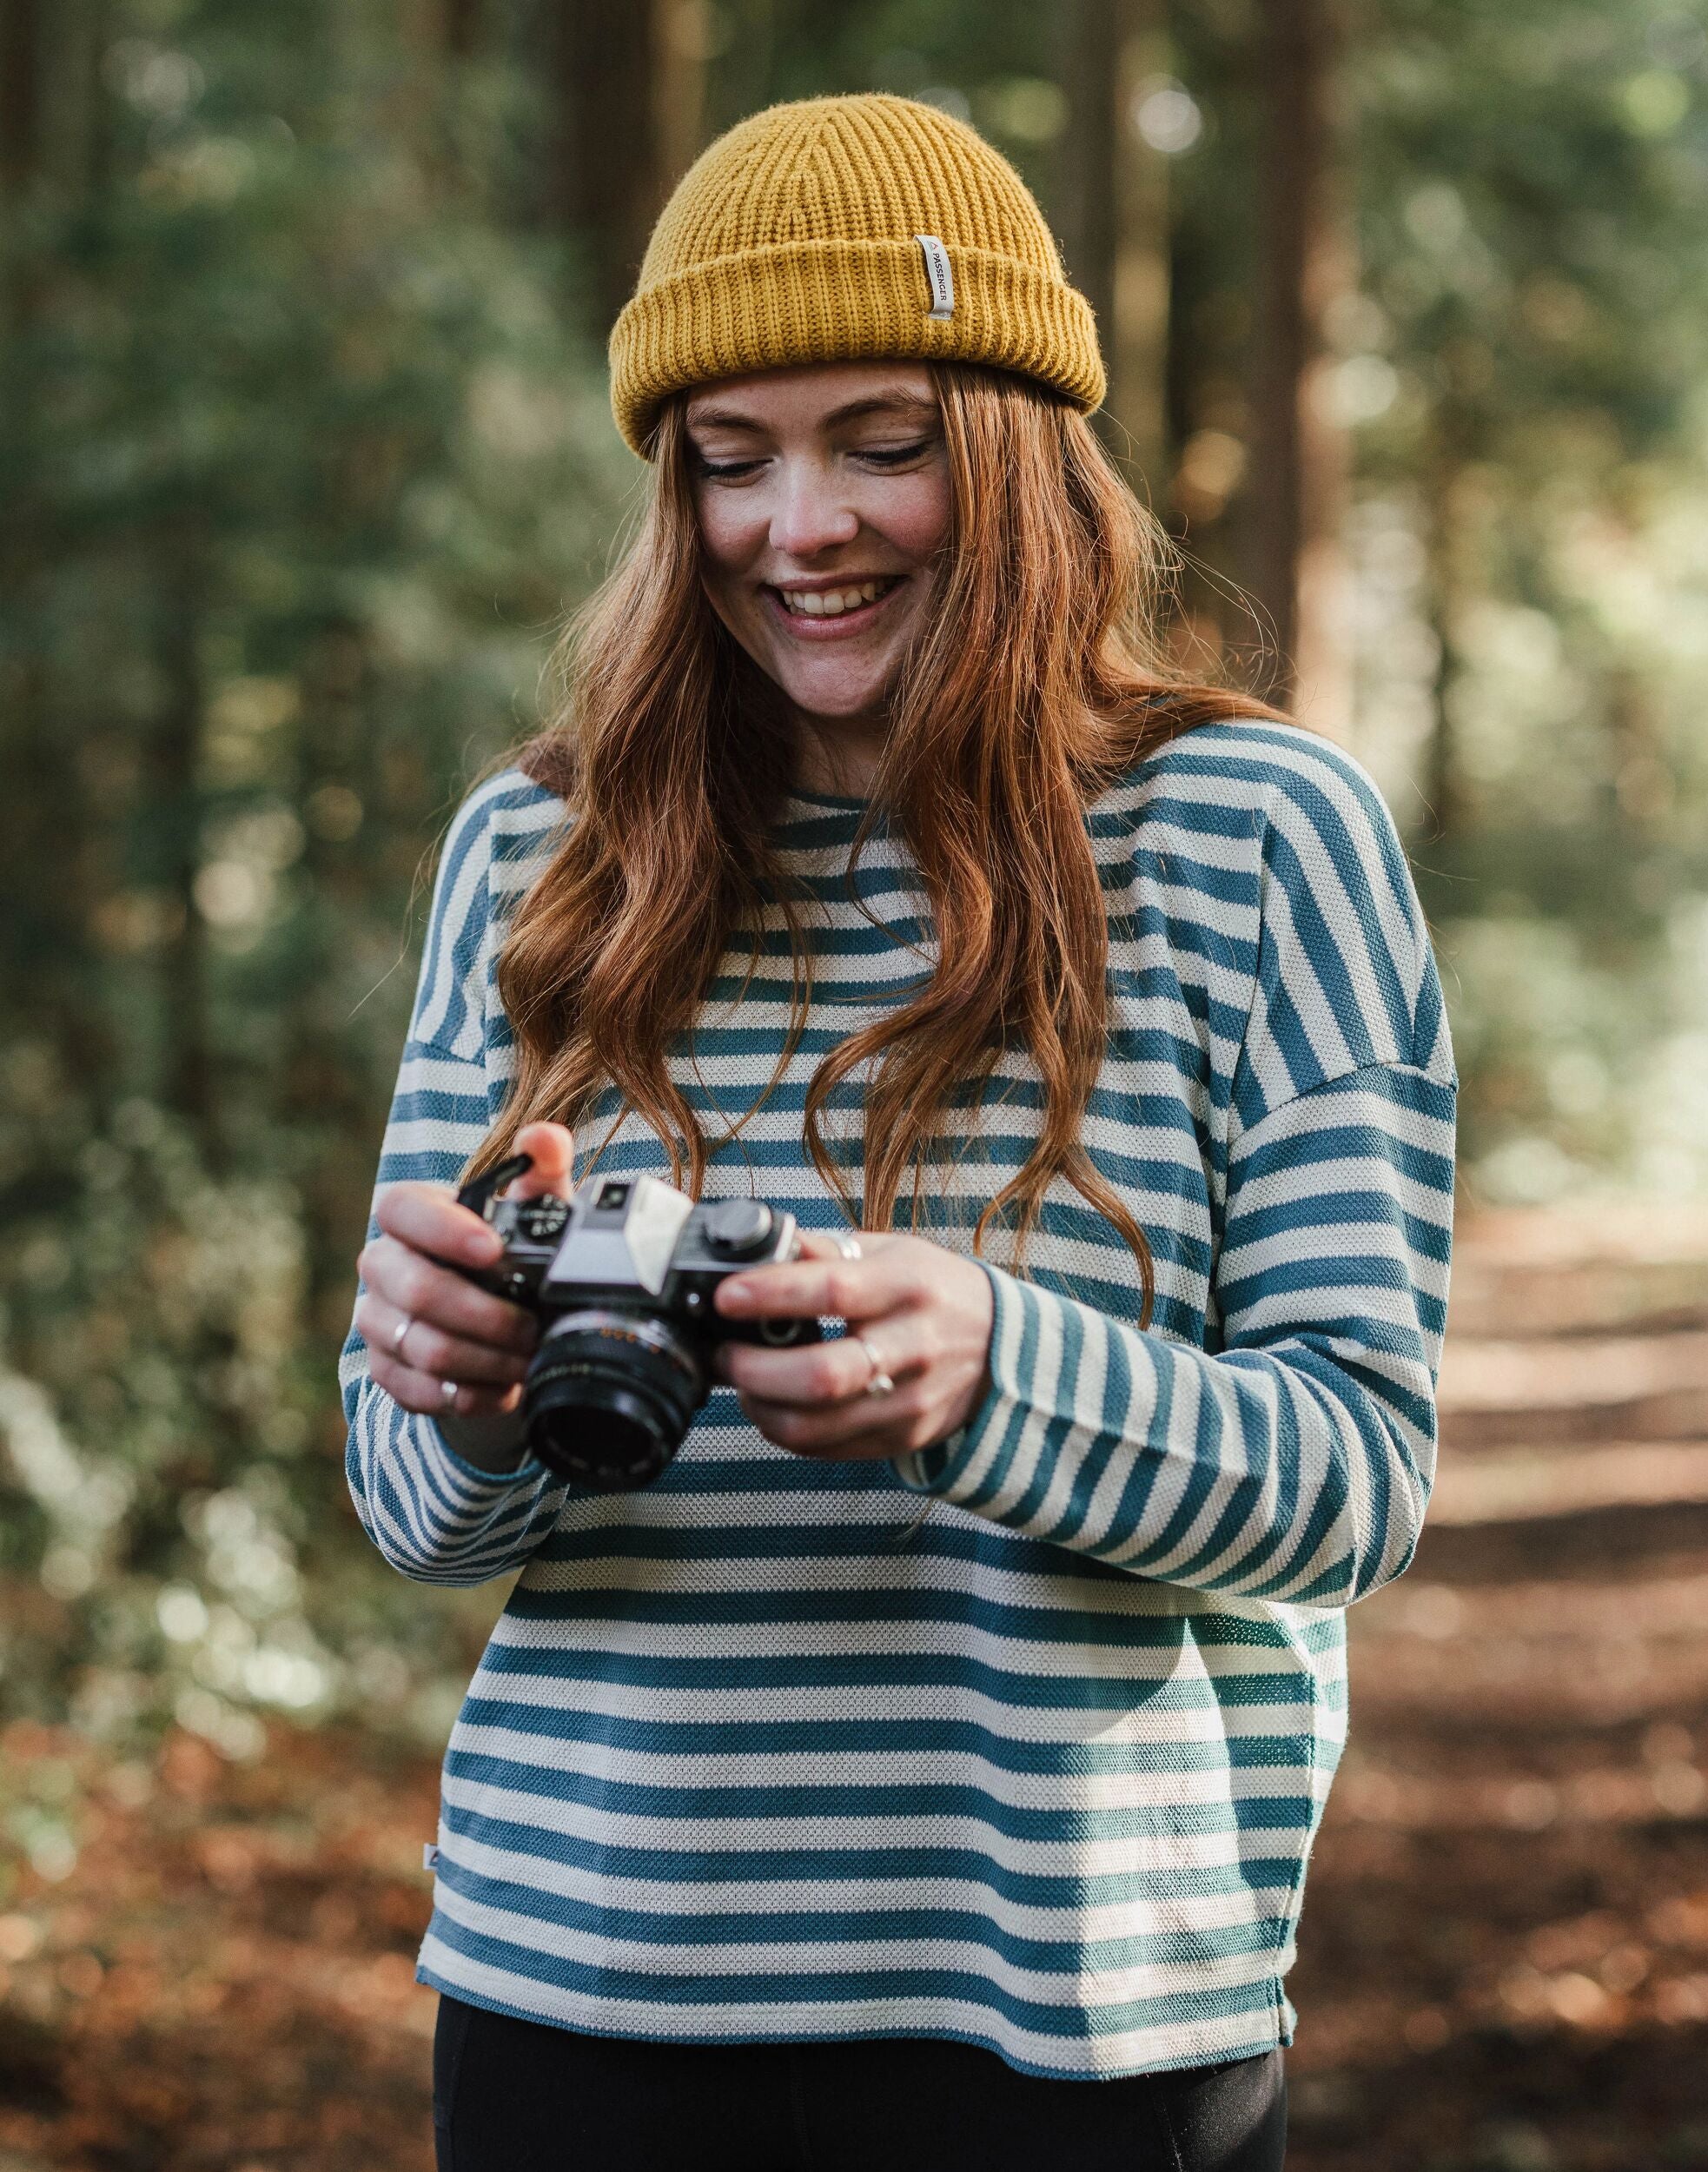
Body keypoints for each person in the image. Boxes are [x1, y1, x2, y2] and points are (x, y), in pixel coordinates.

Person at [341, 92, 1456, 2172]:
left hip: (1078, 2007)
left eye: (883, 440)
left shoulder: (1258, 839)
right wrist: (463, 1394)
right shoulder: (539, 855)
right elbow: (412, 1510)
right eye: (730, 457)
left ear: (1020, 451)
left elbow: (1357, 1477)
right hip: (579, 1984)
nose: (802, 525)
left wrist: (994, 1368)